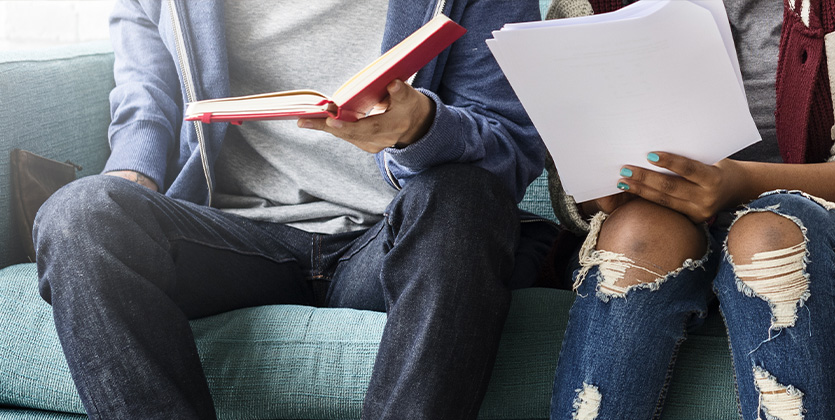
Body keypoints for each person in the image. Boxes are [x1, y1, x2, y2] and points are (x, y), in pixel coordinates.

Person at [32, 1, 550, 419]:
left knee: (465, 196)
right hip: (230, 242)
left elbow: (512, 146)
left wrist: (421, 128)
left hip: (391, 239)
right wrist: (131, 183)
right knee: (81, 213)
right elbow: (145, 103)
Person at [540, 0, 835, 418]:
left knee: (768, 235)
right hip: (658, 225)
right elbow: (570, 186)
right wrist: (601, 188)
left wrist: (742, 185)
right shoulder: (587, 6)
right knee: (638, 234)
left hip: (828, 228)